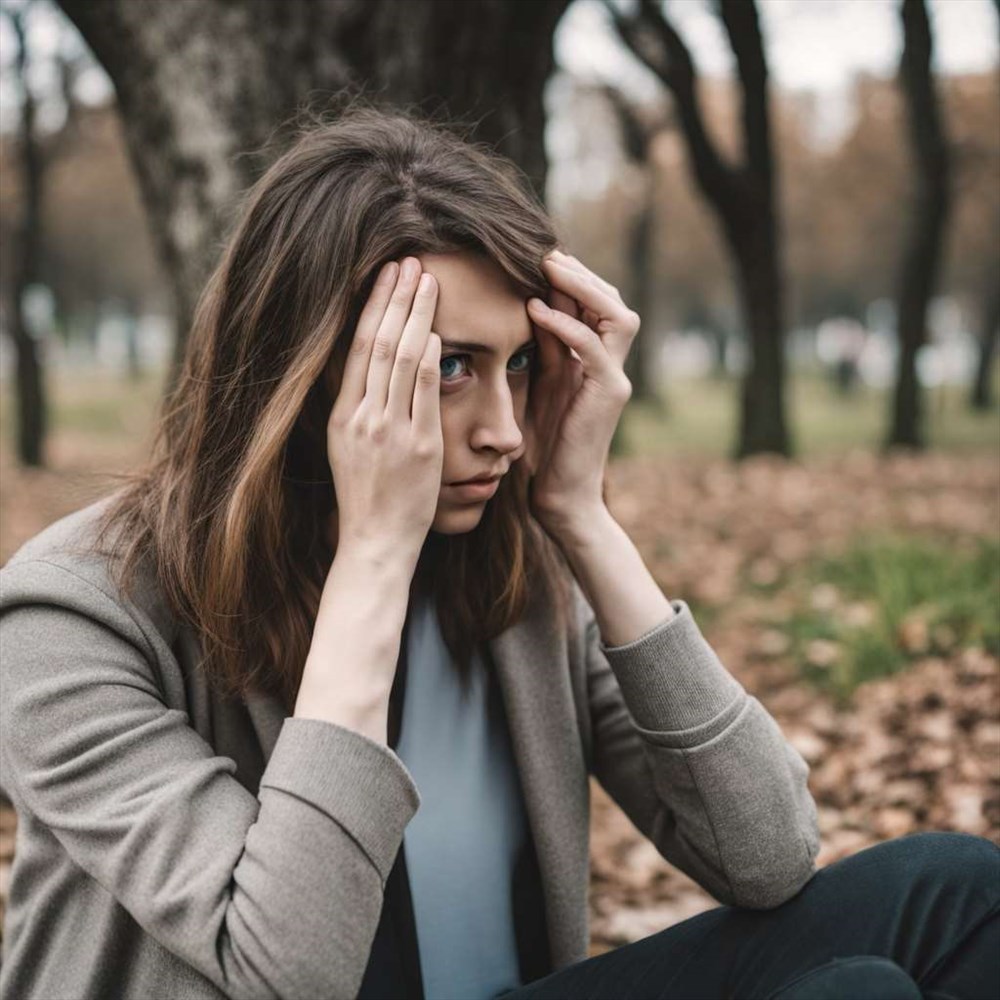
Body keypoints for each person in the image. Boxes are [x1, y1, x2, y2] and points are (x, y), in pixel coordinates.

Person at [0, 107, 996, 1000]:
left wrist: (582, 519)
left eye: (517, 365)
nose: (504, 430)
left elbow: (768, 855)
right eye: (446, 369)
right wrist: (372, 561)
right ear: (297, 379)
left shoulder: (514, 569)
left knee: (956, 893)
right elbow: (283, 968)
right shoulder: (69, 616)